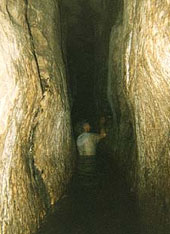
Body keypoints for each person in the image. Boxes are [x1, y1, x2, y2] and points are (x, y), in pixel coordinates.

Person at [76, 121, 106, 186]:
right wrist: (102, 124)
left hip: (81, 163)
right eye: (88, 125)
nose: (90, 127)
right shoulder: (90, 136)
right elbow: (103, 135)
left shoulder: (79, 138)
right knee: (93, 180)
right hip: (91, 161)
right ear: (85, 127)